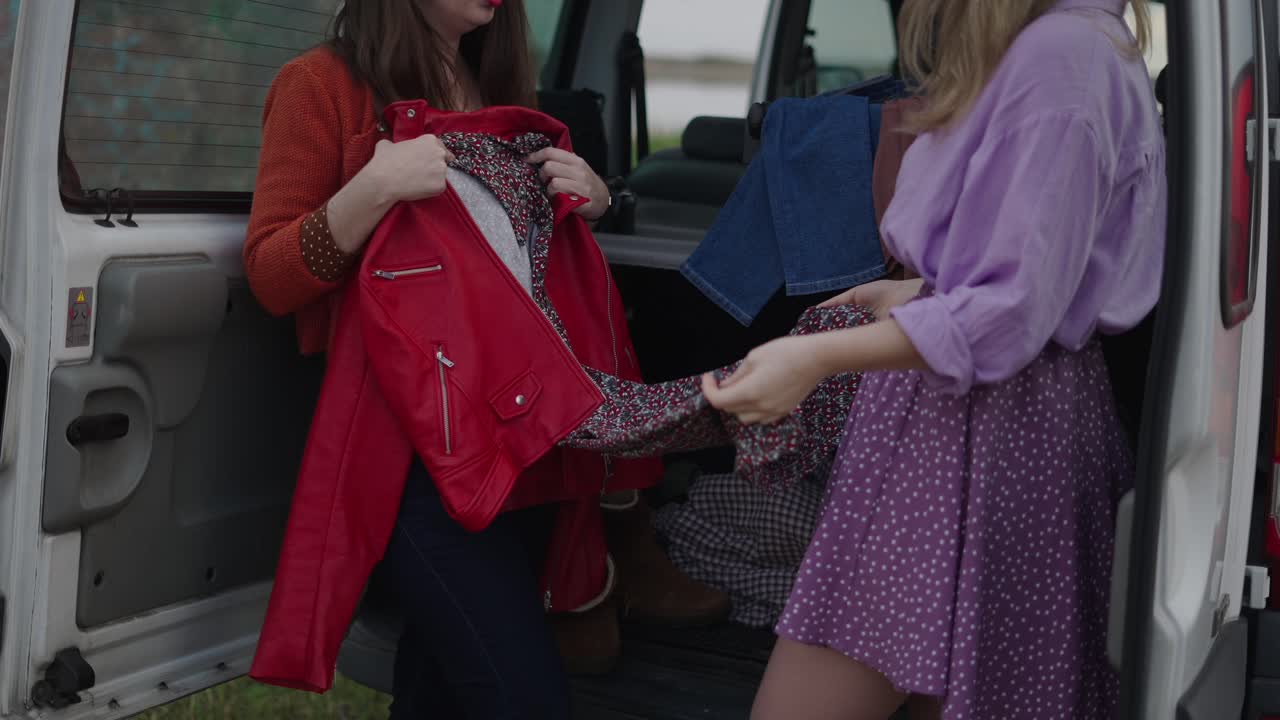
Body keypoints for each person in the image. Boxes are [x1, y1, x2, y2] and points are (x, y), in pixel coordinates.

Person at [243, 0, 727, 716]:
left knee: (442, 681)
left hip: (517, 435)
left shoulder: (495, 96)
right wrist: (374, 187)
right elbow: (271, 274)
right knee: (518, 694)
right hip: (408, 451)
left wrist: (596, 198)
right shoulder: (319, 84)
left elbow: (518, 276)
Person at [702, 0, 1163, 718]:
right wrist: (915, 288)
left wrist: (817, 359)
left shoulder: (1060, 57)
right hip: (1003, 424)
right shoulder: (1081, 46)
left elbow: (1010, 313)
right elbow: (1050, 264)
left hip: (976, 428)